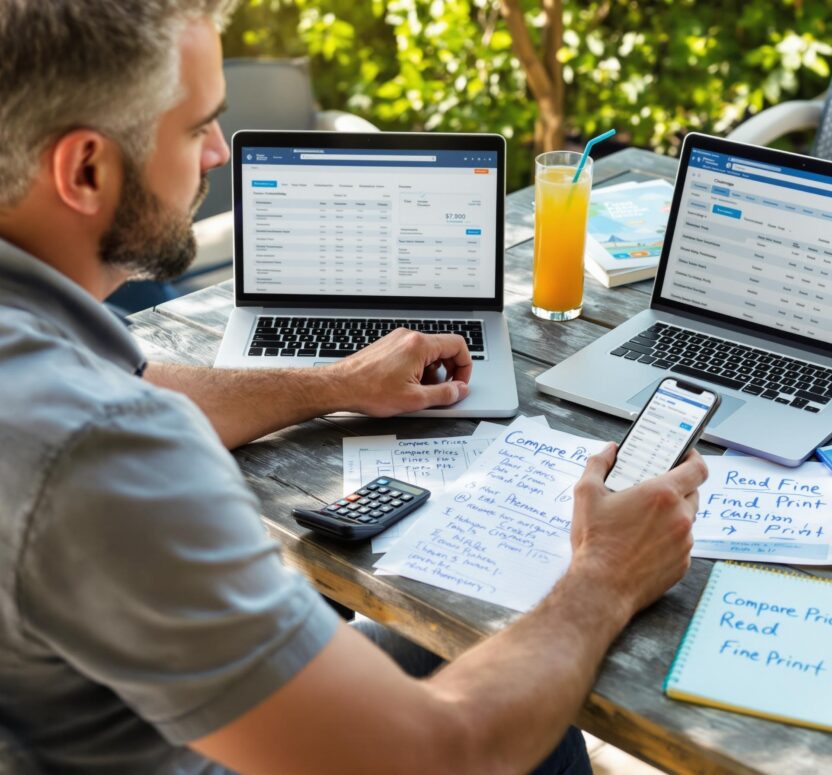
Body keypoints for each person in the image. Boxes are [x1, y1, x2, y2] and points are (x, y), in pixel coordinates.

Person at [0, 1, 707, 773]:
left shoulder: (42, 363)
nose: (217, 152)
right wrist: (606, 576)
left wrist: (336, 382)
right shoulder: (101, 452)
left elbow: (142, 385)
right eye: (197, 125)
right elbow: (445, 753)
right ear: (85, 170)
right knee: (542, 730)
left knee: (489, 654)